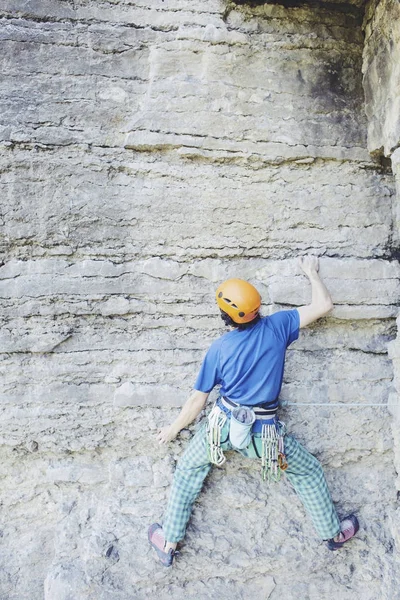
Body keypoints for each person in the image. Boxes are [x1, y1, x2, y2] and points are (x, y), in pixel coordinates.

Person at [148, 256, 359, 567]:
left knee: (189, 470)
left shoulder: (219, 348)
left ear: (226, 317)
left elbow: (197, 402)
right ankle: (332, 534)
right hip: (266, 436)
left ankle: (168, 543)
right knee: (308, 471)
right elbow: (323, 305)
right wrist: (311, 273)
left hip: (220, 427)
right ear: (257, 307)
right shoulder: (277, 326)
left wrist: (173, 429)